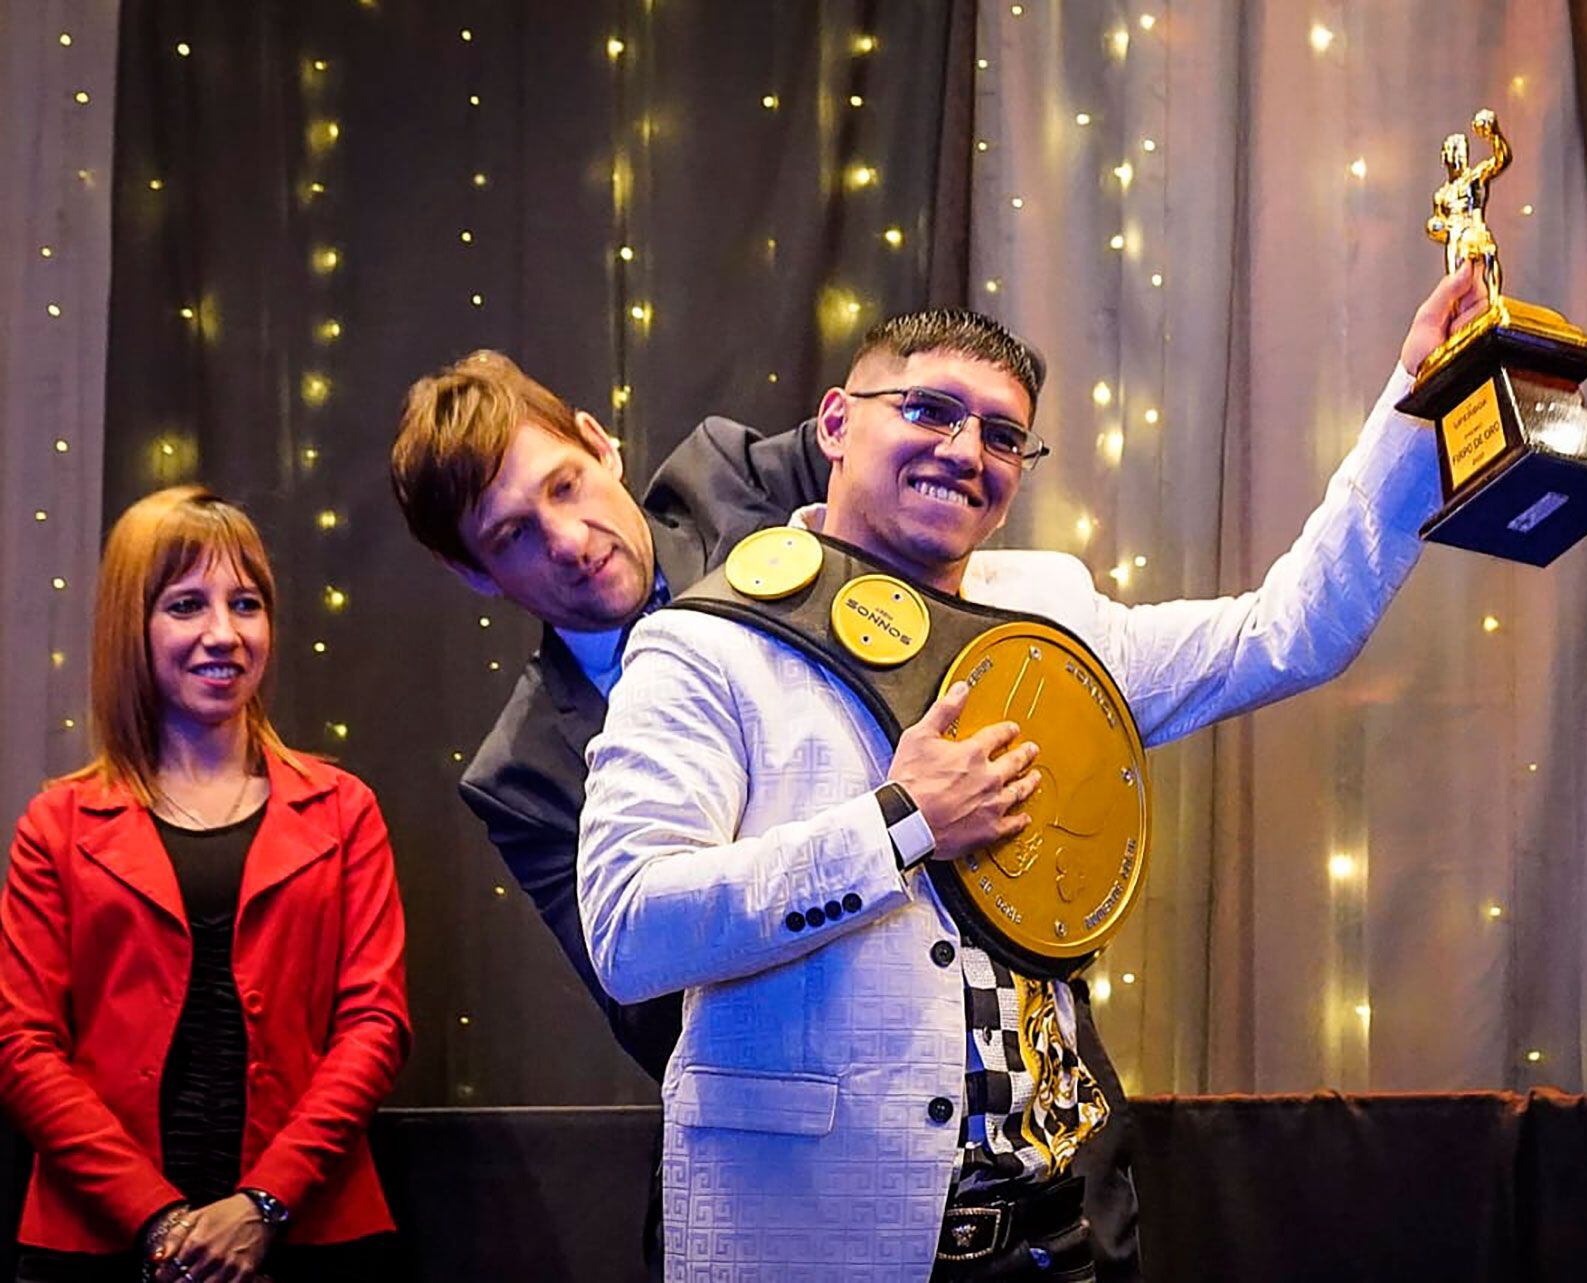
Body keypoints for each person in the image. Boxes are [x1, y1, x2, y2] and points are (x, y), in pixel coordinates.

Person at [575, 268, 1485, 1281]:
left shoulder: (1048, 613)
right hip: (822, 1238)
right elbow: (629, 927)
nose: (965, 451)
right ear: (835, 422)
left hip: (1057, 1232)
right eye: (929, 409)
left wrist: (1416, 402)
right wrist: (897, 823)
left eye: (1003, 435)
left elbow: (1285, 634)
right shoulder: (703, 645)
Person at [388, 350, 1146, 1276]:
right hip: (796, 1178)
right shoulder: (522, 772)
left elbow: (911, 442)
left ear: (599, 441)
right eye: (511, 535)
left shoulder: (735, 478)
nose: (571, 539)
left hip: (1039, 1122)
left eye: (566, 484)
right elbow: (648, 1002)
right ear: (472, 574)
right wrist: (878, 853)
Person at [0, 487, 410, 1283]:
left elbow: (375, 1026)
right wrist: (159, 1218)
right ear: (134, 624)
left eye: (245, 603)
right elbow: (23, 1047)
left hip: (312, 1234)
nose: (223, 633)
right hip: (97, 1243)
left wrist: (262, 1203)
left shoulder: (342, 809)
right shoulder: (58, 824)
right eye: (187, 604)